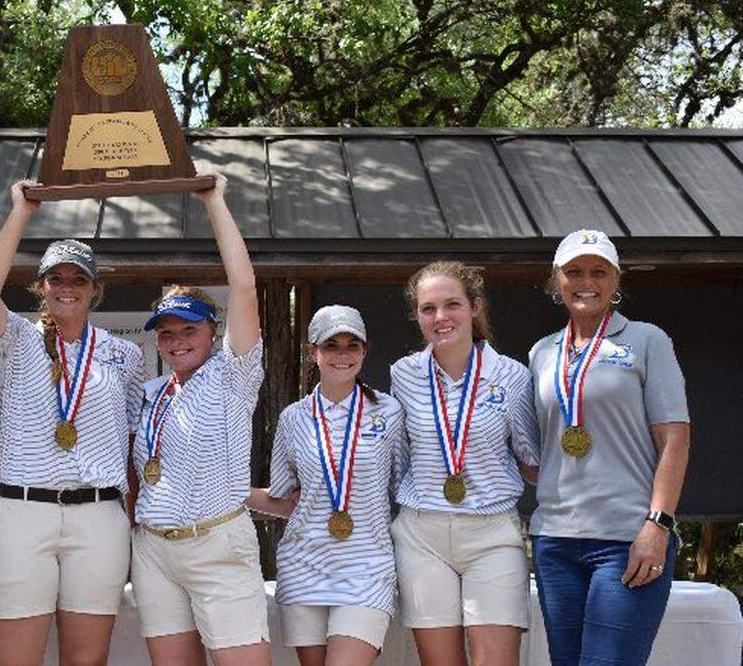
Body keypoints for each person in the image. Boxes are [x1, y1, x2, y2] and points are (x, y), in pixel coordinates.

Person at [0, 182, 145, 666]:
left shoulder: (123, 354)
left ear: (95, 289)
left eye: (78, 279)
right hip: (24, 511)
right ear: (41, 286)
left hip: (98, 515)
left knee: (86, 661)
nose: (67, 286)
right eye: (56, 278)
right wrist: (21, 212)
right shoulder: (19, 338)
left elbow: (131, 439)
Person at [528, 230, 690, 666]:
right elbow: (539, 452)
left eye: (599, 272)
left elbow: (674, 437)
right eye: (575, 271)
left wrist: (657, 524)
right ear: (556, 280)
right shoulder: (542, 353)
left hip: (627, 537)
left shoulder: (646, 340)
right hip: (555, 539)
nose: (587, 281)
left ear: (616, 281)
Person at [129, 174, 269, 666]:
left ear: (213, 331)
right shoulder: (152, 393)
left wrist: (215, 202)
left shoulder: (233, 374)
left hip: (216, 544)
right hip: (152, 550)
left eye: (189, 329)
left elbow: (245, 285)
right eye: (165, 333)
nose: (176, 341)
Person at [389, 260, 539, 666]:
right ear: (417, 316)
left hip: (492, 535)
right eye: (428, 309)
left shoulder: (511, 375)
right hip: (422, 536)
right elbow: (399, 457)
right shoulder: (403, 374)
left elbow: (530, 459)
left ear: (474, 307)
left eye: (451, 304)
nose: (440, 317)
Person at [247, 305, 404, 666]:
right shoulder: (293, 418)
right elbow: (284, 499)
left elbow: (403, 484)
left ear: (365, 351)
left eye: (353, 345)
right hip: (304, 566)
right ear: (313, 352)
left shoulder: (390, 412)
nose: (342, 355)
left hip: (368, 567)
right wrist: (224, 495)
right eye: (331, 345)